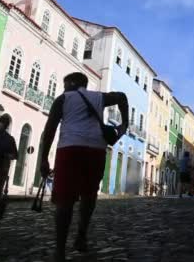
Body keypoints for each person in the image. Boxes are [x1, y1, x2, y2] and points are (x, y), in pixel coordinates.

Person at [39, 72, 129, 262]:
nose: (63, 88)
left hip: (70, 148)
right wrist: (124, 124)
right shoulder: (98, 97)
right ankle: (81, 235)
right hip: (96, 150)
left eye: (65, 84)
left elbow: (49, 130)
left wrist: (44, 158)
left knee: (65, 201)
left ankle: (60, 251)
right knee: (89, 195)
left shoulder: (63, 99)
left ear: (72, 82)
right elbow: (121, 97)